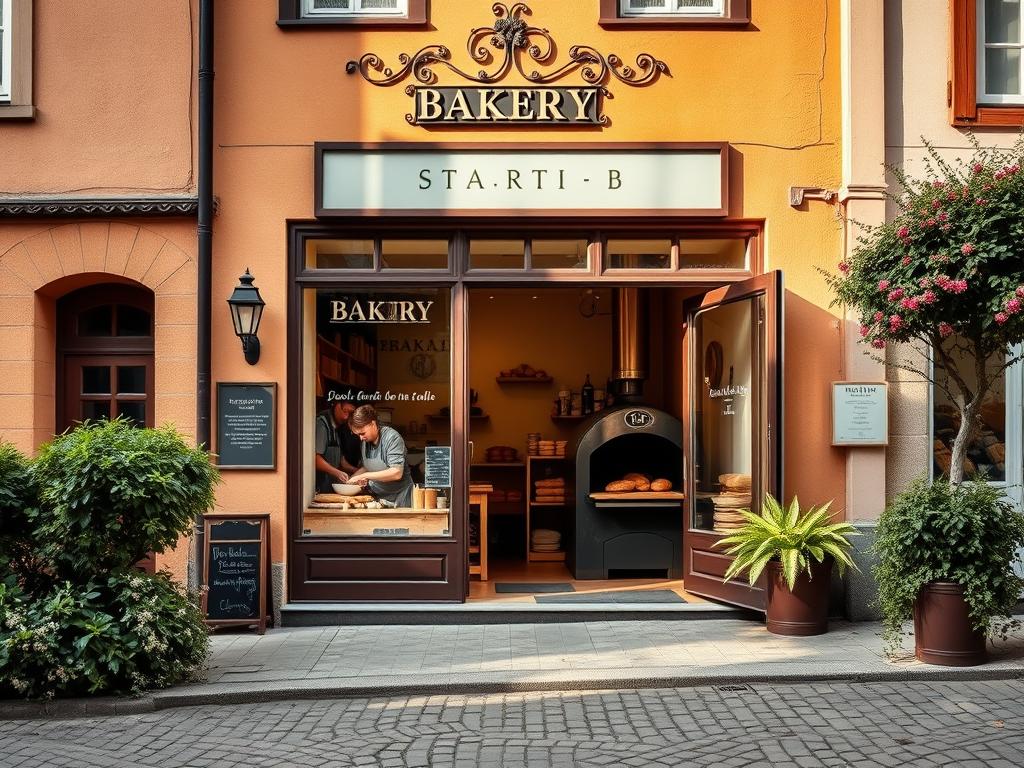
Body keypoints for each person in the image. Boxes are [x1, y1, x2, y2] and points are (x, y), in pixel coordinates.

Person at [347, 404, 414, 508]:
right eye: (358, 435)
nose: (360, 438)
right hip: (379, 498)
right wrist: (351, 481)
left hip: (401, 499)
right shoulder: (365, 441)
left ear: (373, 424)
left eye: (362, 433)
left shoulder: (392, 438)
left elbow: (396, 472)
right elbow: (367, 467)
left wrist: (365, 476)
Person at [314, 398, 360, 493]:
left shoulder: (337, 427)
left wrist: (358, 472)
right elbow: (315, 459)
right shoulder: (322, 424)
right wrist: (337, 472)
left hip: (331, 488)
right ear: (337, 405)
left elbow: (341, 461)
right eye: (345, 411)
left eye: (350, 413)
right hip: (320, 488)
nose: (346, 417)